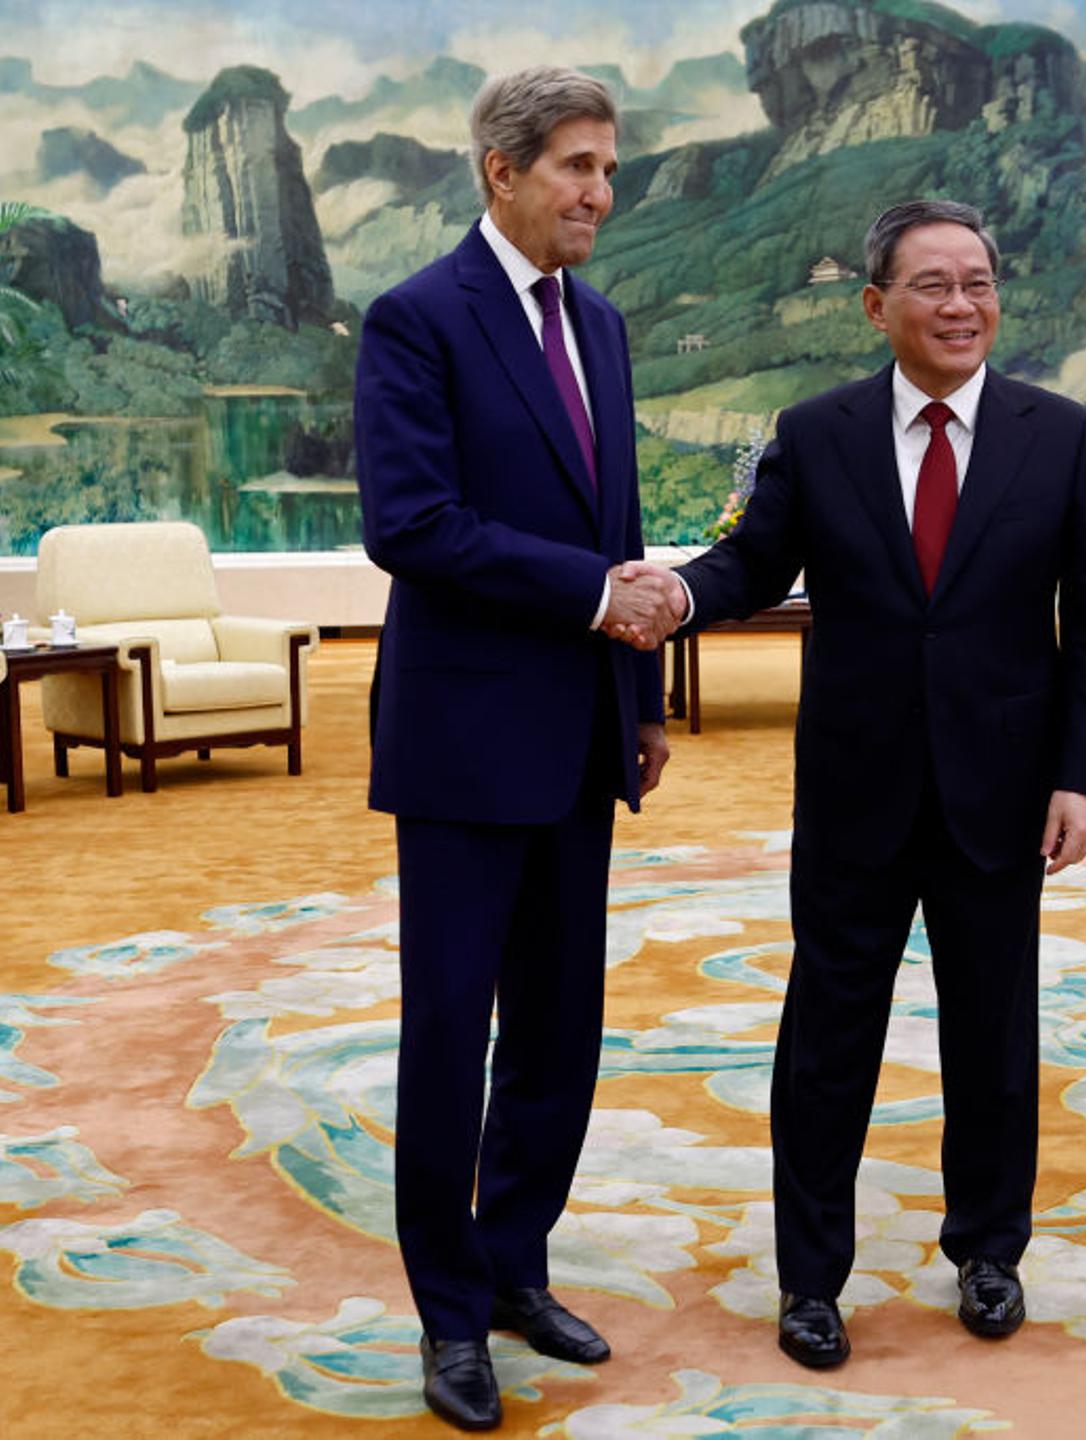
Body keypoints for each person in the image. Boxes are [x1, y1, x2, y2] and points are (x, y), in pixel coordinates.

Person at [628, 199, 1086, 1366]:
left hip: (1002, 790)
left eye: (979, 284)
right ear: (876, 306)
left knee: (993, 1035)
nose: (962, 306)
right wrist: (677, 595)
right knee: (827, 1041)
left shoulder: (1060, 435)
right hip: (856, 789)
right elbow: (754, 561)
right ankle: (812, 1279)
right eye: (933, 286)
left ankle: (989, 1251)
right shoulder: (818, 432)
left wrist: (1082, 777)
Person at [354, 66, 682, 1432]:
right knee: (450, 1036)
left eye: (609, 169)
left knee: (557, 1036)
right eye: (577, 168)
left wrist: (643, 693)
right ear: (499, 168)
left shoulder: (600, 324)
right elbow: (411, 527)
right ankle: (447, 1319)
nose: (600, 193)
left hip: (580, 738)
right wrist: (598, 597)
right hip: (461, 741)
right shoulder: (417, 319)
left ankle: (514, 1267)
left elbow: (615, 514)